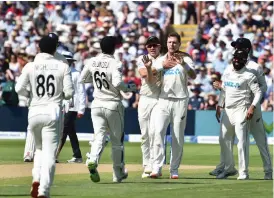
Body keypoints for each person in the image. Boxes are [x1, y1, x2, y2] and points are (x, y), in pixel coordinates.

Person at [15, 36, 74, 198]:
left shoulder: (29, 66)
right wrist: (58, 95)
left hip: (34, 112)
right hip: (52, 111)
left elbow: (19, 88)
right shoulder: (62, 66)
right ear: (55, 49)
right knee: (49, 153)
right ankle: (44, 190)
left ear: (39, 48)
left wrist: (32, 96)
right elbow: (69, 93)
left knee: (39, 149)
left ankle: (36, 178)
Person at [211, 38, 273, 180]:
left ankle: (268, 170)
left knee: (260, 140)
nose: (235, 49)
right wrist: (221, 103)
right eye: (235, 47)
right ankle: (227, 168)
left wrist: (250, 102)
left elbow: (262, 88)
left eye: (238, 46)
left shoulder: (254, 67)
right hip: (232, 107)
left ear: (246, 49)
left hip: (250, 107)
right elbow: (225, 88)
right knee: (225, 138)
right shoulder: (230, 67)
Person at [80, 36, 137, 183]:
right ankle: (117, 174)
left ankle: (92, 159)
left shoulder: (92, 61)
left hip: (97, 104)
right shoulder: (115, 63)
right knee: (116, 141)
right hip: (112, 104)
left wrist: (97, 79)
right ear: (114, 48)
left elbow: (83, 78)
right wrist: (130, 87)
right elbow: (118, 83)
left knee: (99, 136)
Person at [150, 32, 196, 179]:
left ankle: (174, 169)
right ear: (166, 44)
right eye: (169, 42)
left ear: (179, 44)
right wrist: (161, 67)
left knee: (177, 136)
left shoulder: (186, 58)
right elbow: (150, 75)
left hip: (180, 100)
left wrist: (183, 63)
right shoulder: (161, 59)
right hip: (163, 99)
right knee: (158, 132)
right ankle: (156, 167)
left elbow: (194, 75)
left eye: (175, 42)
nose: (172, 45)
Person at [23, 32, 69, 162]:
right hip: (40, 98)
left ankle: (53, 155)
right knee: (32, 127)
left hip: (55, 99)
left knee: (58, 129)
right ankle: (28, 153)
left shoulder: (62, 59)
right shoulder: (39, 58)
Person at [55, 50, 86, 163]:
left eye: (67, 61)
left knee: (63, 130)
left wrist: (81, 109)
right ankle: (77, 155)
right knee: (71, 131)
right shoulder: (59, 73)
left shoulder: (76, 73)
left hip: (72, 106)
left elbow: (81, 92)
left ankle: (55, 155)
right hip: (62, 105)